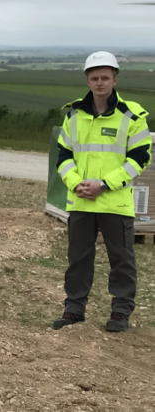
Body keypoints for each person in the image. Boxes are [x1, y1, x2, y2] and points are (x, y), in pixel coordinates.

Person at [54, 51, 151, 332]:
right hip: (81, 202)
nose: (99, 83)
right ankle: (74, 310)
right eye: (94, 77)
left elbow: (139, 158)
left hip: (114, 203)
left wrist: (105, 184)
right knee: (78, 260)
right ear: (87, 80)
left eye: (105, 77)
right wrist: (76, 184)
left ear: (114, 79)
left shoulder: (132, 116)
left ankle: (120, 312)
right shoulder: (74, 115)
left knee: (121, 260)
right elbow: (63, 156)